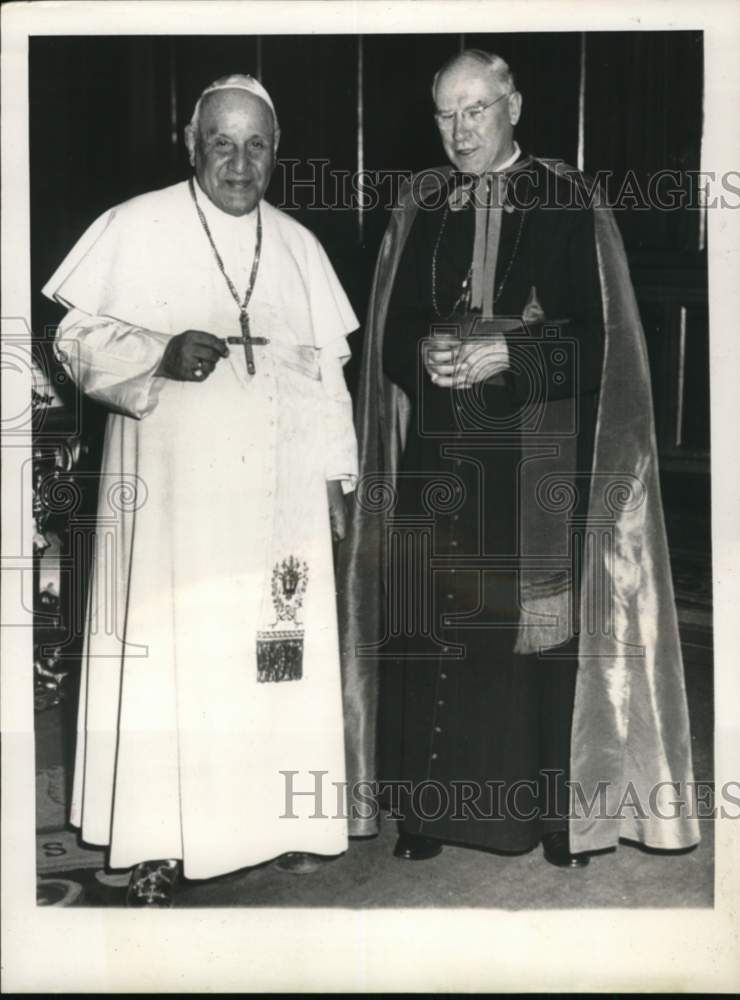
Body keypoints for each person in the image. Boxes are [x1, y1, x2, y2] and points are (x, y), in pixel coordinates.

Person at [338, 50, 700, 867]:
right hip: (437, 456)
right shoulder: (420, 203)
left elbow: (606, 348)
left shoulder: (569, 201)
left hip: (534, 465)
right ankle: (426, 811)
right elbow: (389, 333)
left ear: (515, 107)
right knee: (430, 625)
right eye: (446, 114)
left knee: (530, 641)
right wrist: (423, 350)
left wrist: (513, 353)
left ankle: (551, 819)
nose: (460, 131)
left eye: (476, 110)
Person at [43, 74, 359, 905]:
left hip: (279, 503)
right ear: (191, 144)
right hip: (175, 505)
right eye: (223, 142)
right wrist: (155, 352)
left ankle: (280, 820)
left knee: (276, 654)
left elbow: (329, 375)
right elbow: (73, 339)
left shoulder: (298, 245)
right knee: (178, 657)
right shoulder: (135, 224)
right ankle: (160, 838)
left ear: (276, 152)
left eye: (257, 145)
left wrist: (336, 477)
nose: (240, 162)